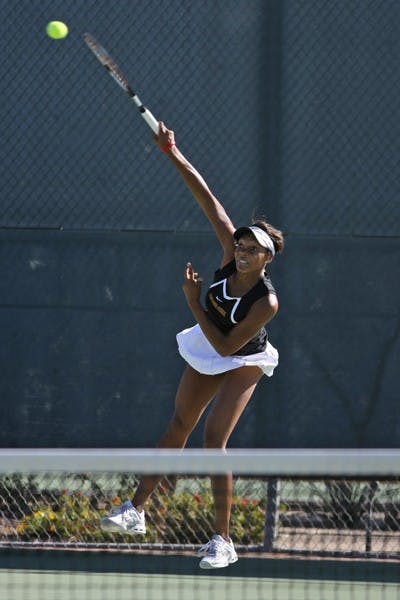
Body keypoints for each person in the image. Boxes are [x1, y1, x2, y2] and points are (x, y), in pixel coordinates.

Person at [101, 122, 284, 569]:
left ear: (267, 258)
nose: (241, 248)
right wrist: (172, 152)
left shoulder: (267, 303)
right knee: (178, 424)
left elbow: (225, 350)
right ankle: (136, 510)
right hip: (212, 340)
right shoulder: (227, 251)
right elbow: (206, 197)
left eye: (251, 247)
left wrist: (192, 302)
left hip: (243, 356)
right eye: (240, 242)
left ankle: (223, 540)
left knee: (213, 439)